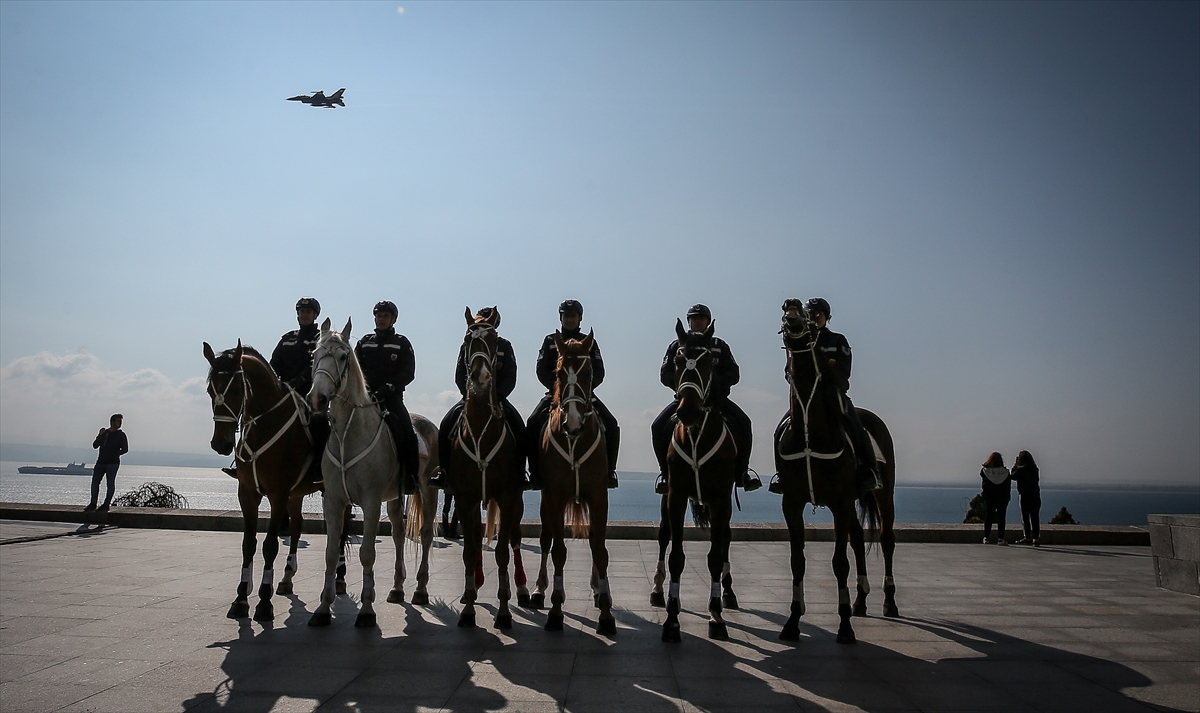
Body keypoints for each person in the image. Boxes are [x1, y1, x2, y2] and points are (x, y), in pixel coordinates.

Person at [770, 298, 882, 494]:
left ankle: (869, 471)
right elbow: (788, 369)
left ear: (826, 317)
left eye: (817, 314)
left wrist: (825, 374)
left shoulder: (837, 341)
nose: (813, 317)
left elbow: (844, 374)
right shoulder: (800, 341)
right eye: (809, 314)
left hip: (831, 395)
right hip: (805, 397)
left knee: (856, 425)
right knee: (781, 429)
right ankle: (782, 474)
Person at [650, 304, 760, 495]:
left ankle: (743, 473)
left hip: (716, 400)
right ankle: (666, 474)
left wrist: (716, 386)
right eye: (694, 318)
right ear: (689, 322)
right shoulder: (676, 346)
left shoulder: (719, 345)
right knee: (657, 426)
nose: (697, 321)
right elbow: (665, 373)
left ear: (708, 322)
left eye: (701, 318)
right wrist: (684, 388)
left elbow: (733, 372)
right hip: (686, 399)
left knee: (744, 422)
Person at [223, 297, 328, 479]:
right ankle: (241, 462)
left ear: (315, 315)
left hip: (308, 393)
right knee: (252, 417)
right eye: (301, 312)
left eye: (308, 312)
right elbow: (274, 364)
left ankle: (320, 466)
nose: (304, 315)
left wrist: (298, 381)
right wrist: (274, 381)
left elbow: (315, 366)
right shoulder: (287, 338)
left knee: (319, 423)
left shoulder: (320, 339)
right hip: (283, 391)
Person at [526, 300, 621, 490]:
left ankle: (609, 472)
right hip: (556, 395)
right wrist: (557, 391)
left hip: (584, 396)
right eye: (566, 316)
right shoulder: (550, 341)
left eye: (573, 316)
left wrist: (583, 391)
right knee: (533, 422)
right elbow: (541, 370)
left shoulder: (588, 342)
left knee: (611, 424)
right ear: (561, 318)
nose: (570, 319)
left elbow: (599, 371)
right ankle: (535, 473)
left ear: (580, 318)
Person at [429, 307, 528, 490]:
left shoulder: (504, 345)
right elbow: (460, 374)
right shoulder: (467, 344)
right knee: (446, 424)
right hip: (470, 398)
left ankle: (521, 473)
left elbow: (510, 375)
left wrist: (498, 395)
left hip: (497, 398)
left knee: (520, 427)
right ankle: (445, 473)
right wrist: (468, 395)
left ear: (495, 323)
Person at [356, 300, 421, 493]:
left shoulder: (401, 342)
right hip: (365, 400)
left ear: (393, 319)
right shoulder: (364, 342)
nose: (381, 319)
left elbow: (408, 372)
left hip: (391, 400)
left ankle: (411, 478)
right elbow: (354, 370)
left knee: (409, 434)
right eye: (378, 315)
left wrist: (388, 388)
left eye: (385, 316)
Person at [86, 414, 128, 512]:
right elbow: (95, 445)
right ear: (112, 422)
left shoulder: (121, 435)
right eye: (118, 421)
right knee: (95, 482)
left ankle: (106, 504)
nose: (120, 423)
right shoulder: (105, 433)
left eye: (121, 421)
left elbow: (125, 449)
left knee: (110, 483)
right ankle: (93, 503)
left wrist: (115, 453)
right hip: (101, 462)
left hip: (113, 463)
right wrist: (100, 435)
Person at [980, 452, 1012, 545]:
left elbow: (984, 485)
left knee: (989, 516)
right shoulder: (1005, 472)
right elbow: (1007, 486)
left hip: (990, 497)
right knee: (1001, 517)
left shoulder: (985, 472)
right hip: (1002, 497)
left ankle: (986, 537)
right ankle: (1000, 538)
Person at [1011, 450, 1041, 546]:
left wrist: (1015, 466)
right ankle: (1036, 539)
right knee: (1035, 518)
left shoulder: (1020, 470)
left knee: (1025, 518)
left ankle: (1027, 537)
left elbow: (1012, 476)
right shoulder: (1035, 469)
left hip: (1024, 496)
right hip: (1035, 496)